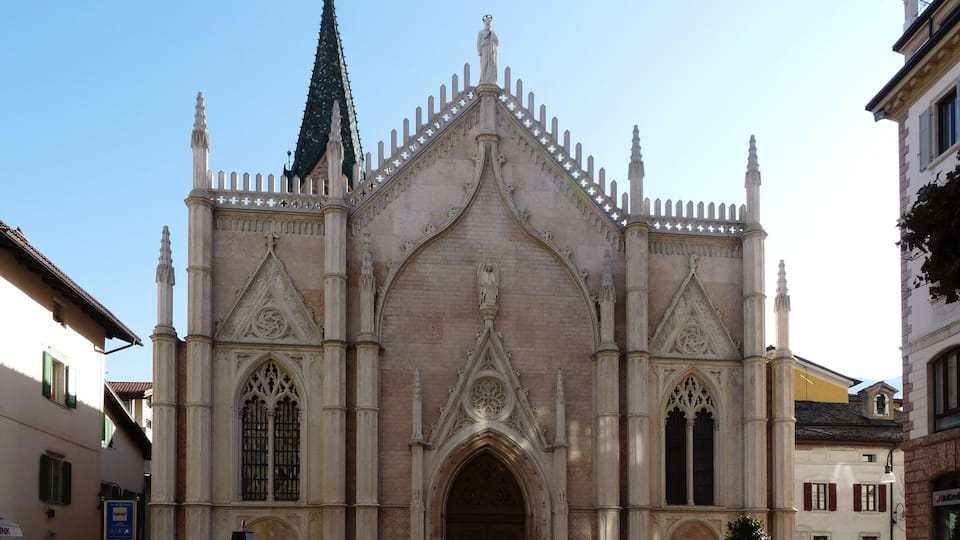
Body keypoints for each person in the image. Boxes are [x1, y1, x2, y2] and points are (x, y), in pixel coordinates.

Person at [477, 14, 499, 85]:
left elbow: (497, 41)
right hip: (484, 49)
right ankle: (483, 78)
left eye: (489, 23)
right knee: (484, 63)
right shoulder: (481, 32)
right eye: (487, 23)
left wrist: (492, 40)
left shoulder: (493, 33)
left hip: (491, 50)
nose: (488, 24)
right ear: (484, 23)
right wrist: (480, 51)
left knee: (491, 64)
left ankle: (490, 78)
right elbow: (478, 42)